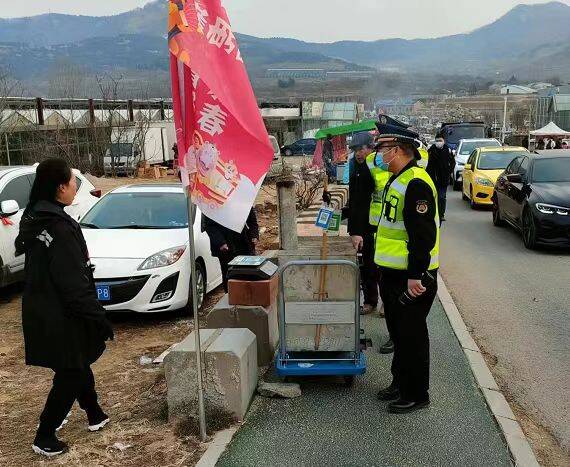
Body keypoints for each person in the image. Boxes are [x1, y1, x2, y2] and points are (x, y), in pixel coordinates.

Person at [15, 159, 114, 457]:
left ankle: (94, 412)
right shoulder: (58, 227)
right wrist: (99, 318)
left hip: (41, 306)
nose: (75, 186)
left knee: (76, 361)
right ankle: (45, 435)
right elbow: (73, 282)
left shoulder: (34, 216)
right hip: (60, 312)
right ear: (60, 188)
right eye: (72, 181)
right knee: (71, 370)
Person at [373, 124, 440, 414]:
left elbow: (423, 236)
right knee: (399, 334)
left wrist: (415, 275)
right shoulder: (397, 178)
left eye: (382, 150)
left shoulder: (416, 183)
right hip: (393, 273)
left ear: (398, 150)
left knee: (412, 336)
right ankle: (399, 383)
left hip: (411, 278)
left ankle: (417, 393)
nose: (379, 156)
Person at [346, 132, 379, 315]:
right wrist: (354, 230)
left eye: (361, 149)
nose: (358, 153)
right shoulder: (354, 167)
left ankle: (385, 304)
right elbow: (355, 202)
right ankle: (370, 301)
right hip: (362, 227)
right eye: (355, 149)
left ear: (370, 147)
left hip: (378, 226)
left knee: (380, 267)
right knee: (366, 266)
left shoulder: (377, 168)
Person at [203, 209, 259, 292]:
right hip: (225, 247)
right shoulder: (214, 204)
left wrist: (254, 235)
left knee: (248, 271)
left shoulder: (242, 201)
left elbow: (252, 221)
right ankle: (231, 296)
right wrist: (221, 242)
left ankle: (247, 295)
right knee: (229, 273)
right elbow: (210, 226)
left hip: (243, 242)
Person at [426, 133, 454, 222]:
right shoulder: (430, 150)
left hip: (443, 179)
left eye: (440, 141)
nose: (438, 142)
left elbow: (453, 162)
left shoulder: (447, 150)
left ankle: (441, 214)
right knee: (433, 197)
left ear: (444, 141)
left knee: (441, 197)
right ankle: (433, 213)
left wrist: (448, 172)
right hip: (432, 178)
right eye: (437, 141)